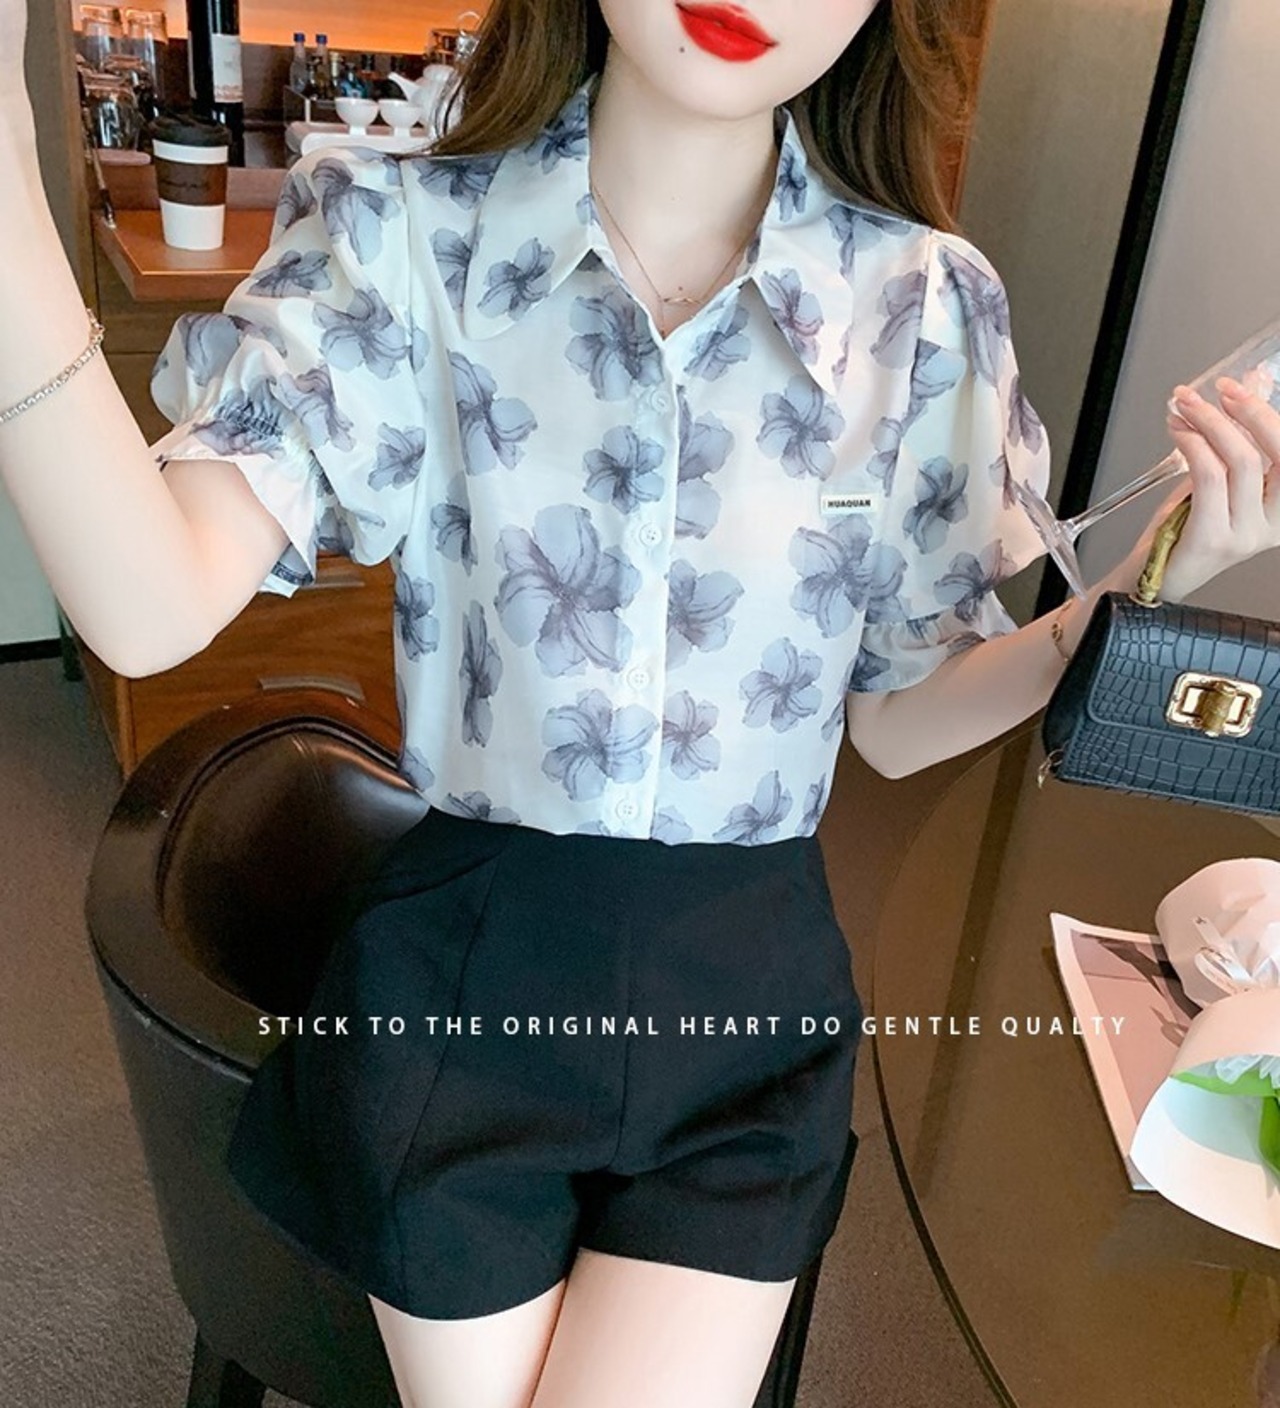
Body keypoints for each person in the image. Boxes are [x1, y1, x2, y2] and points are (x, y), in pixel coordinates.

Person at [2, 1, 1278, 1405]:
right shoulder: (407, 240)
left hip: (746, 1008)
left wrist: (1139, 595)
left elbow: (902, 716)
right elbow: (147, 606)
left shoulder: (922, 309)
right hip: (470, 982)